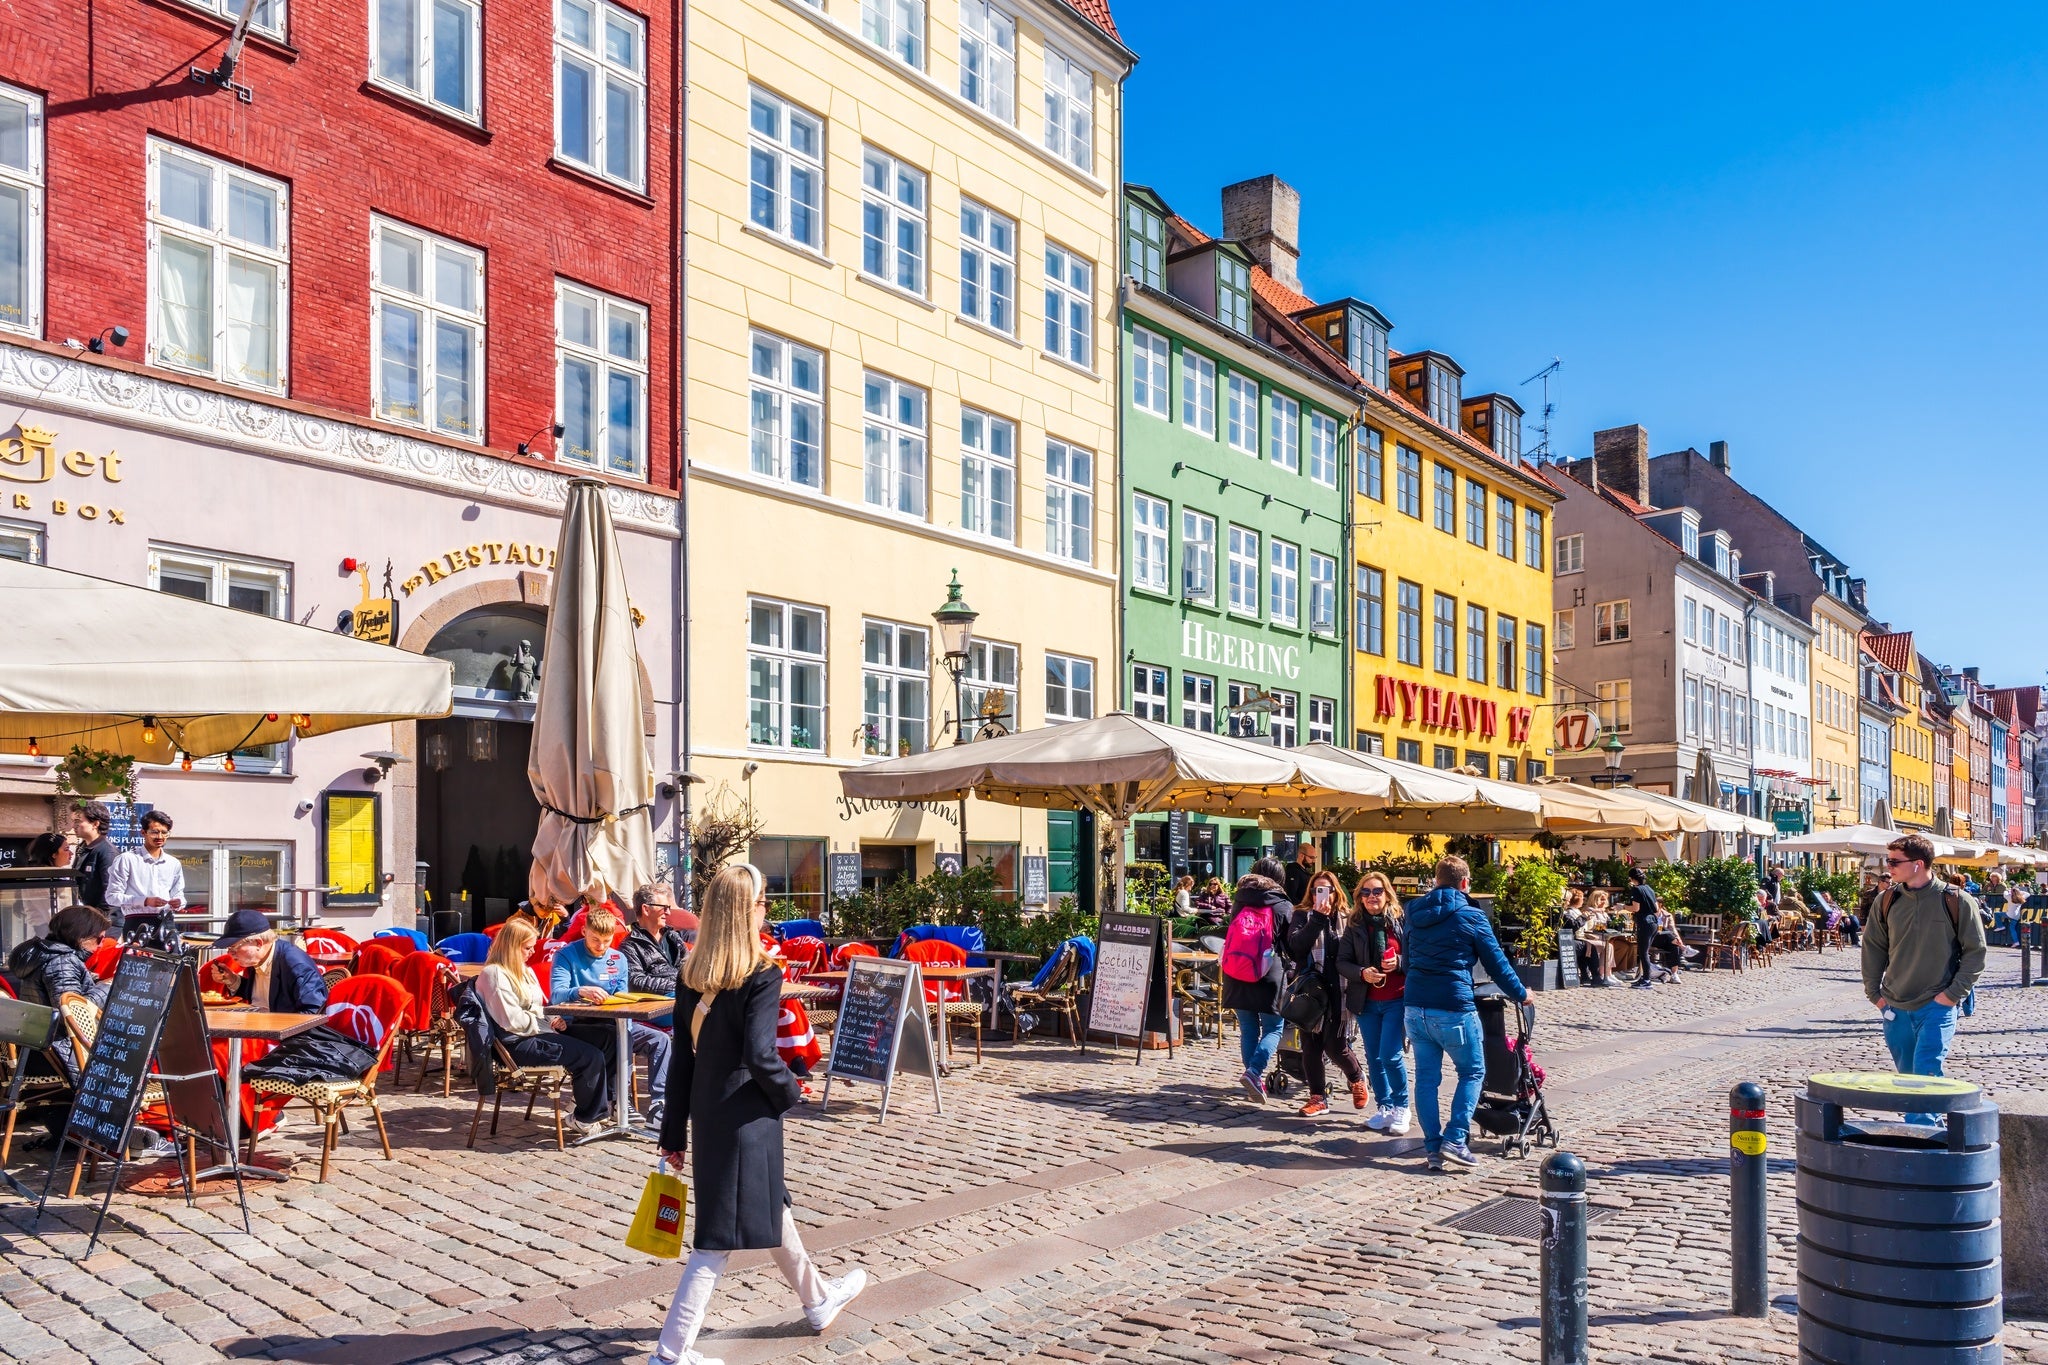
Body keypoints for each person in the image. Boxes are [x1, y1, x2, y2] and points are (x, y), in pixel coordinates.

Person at [651, 865, 867, 1365]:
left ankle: (817, 1300)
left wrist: (673, 1134)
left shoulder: (691, 973)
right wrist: (792, 1091)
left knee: (773, 1208)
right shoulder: (763, 973)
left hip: (710, 1111)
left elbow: (681, 1059)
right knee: (716, 1239)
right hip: (746, 1114)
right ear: (746, 911)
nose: (767, 907)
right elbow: (760, 1053)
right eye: (764, 900)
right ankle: (670, 1352)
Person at [1405, 856, 1529, 1169]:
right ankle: (1456, 1139)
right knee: (1473, 1072)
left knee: (1426, 1079)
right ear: (1465, 883)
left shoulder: (1413, 912)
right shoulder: (1472, 915)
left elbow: (1407, 962)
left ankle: (1433, 1148)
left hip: (1415, 1006)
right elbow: (1497, 964)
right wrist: (1521, 993)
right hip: (1453, 1006)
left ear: (1435, 881)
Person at [1862, 833, 1988, 1125]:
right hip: (1895, 1004)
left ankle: (1922, 1142)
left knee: (1927, 1070)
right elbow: (1873, 948)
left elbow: (1976, 952)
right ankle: (1927, 1127)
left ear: (1918, 864)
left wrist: (1952, 995)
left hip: (1937, 1003)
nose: (1889, 866)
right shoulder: (1887, 900)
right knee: (1908, 1076)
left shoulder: (1956, 900)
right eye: (1888, 860)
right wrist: (1875, 995)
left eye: (1895, 861)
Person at [475, 917, 612, 1136]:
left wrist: (552, 1019)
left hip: (537, 1031)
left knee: (606, 1036)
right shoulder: (494, 974)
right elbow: (511, 1020)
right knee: (590, 1055)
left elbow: (540, 1005)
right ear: (512, 947)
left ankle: (595, 1102)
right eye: (527, 948)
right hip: (517, 1043)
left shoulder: (525, 970)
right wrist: (545, 1023)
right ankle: (585, 1118)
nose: (532, 952)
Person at [550, 905, 671, 1128]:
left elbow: (621, 996)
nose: (601, 946)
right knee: (615, 1037)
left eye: (607, 941)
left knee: (660, 1040)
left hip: (614, 1021)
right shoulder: (566, 955)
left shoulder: (618, 958)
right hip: (577, 1024)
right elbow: (556, 995)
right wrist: (581, 991)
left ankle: (658, 1105)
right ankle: (618, 1100)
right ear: (584, 931)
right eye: (596, 939)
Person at [1281, 868, 1366, 1117]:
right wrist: (1317, 918)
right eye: (1318, 888)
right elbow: (1296, 946)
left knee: (1335, 1045)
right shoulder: (1302, 915)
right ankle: (1317, 1097)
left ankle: (1357, 1077)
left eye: (1327, 889)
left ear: (1335, 891)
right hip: (1311, 990)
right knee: (1310, 1046)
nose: (1323, 894)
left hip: (1340, 989)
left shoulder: (1348, 917)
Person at [1336, 871, 1408, 1134]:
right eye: (1365, 893)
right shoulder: (1355, 925)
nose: (1371, 897)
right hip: (1366, 1001)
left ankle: (1402, 1107)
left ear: (1387, 893)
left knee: (1390, 1055)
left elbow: (1417, 957)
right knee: (1374, 1057)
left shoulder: (1401, 922)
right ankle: (1385, 1107)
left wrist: (1400, 962)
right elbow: (1342, 962)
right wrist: (1361, 973)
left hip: (1396, 999)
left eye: (1376, 891)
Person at [1220, 857, 1292, 1105]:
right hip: (1268, 972)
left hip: (1236, 971)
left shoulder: (1239, 900)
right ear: (1280, 879)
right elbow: (1291, 944)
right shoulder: (1282, 904)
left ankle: (1254, 1078)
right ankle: (1254, 1072)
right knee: (1274, 1028)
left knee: (1249, 1029)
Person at [212, 909, 329, 1013]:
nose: (230, 953)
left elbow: (314, 1014)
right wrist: (233, 980)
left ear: (258, 943)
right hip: (259, 1030)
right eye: (229, 948)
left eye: (234, 947)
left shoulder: (295, 965)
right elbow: (261, 997)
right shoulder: (258, 959)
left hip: (285, 1035)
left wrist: (276, 1029)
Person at [102, 809, 185, 948]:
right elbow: (111, 897)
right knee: (139, 967)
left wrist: (179, 902)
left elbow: (179, 893)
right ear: (143, 832)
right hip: (137, 922)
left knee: (169, 966)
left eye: (164, 832)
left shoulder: (173, 863)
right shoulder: (127, 859)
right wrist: (145, 901)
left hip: (166, 921)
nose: (160, 836)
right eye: (154, 832)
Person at [624, 884, 696, 997]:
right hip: (661, 1004)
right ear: (646, 909)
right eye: (664, 908)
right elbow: (635, 981)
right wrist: (678, 986)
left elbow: (689, 967)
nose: (668, 913)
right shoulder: (630, 946)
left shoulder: (673, 937)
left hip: (685, 997)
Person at [69, 801, 118, 925]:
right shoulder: (82, 849)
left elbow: (110, 893)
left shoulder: (107, 852)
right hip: (87, 921)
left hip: (104, 924)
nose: (74, 826)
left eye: (78, 821)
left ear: (95, 824)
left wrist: (97, 922)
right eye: (73, 821)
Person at [1627, 867, 1661, 989]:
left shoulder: (1636, 889)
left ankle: (1647, 980)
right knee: (1645, 951)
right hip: (1653, 922)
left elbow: (1636, 908)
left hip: (1644, 923)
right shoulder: (1649, 889)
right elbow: (1657, 908)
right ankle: (1644, 977)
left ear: (1631, 878)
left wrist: (1622, 907)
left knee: (1643, 952)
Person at [1282, 842, 1320, 908]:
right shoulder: (1293, 871)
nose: (1314, 861)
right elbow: (1290, 895)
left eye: (1315, 857)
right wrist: (1304, 907)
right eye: (1311, 857)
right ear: (1301, 856)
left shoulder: (1304, 872)